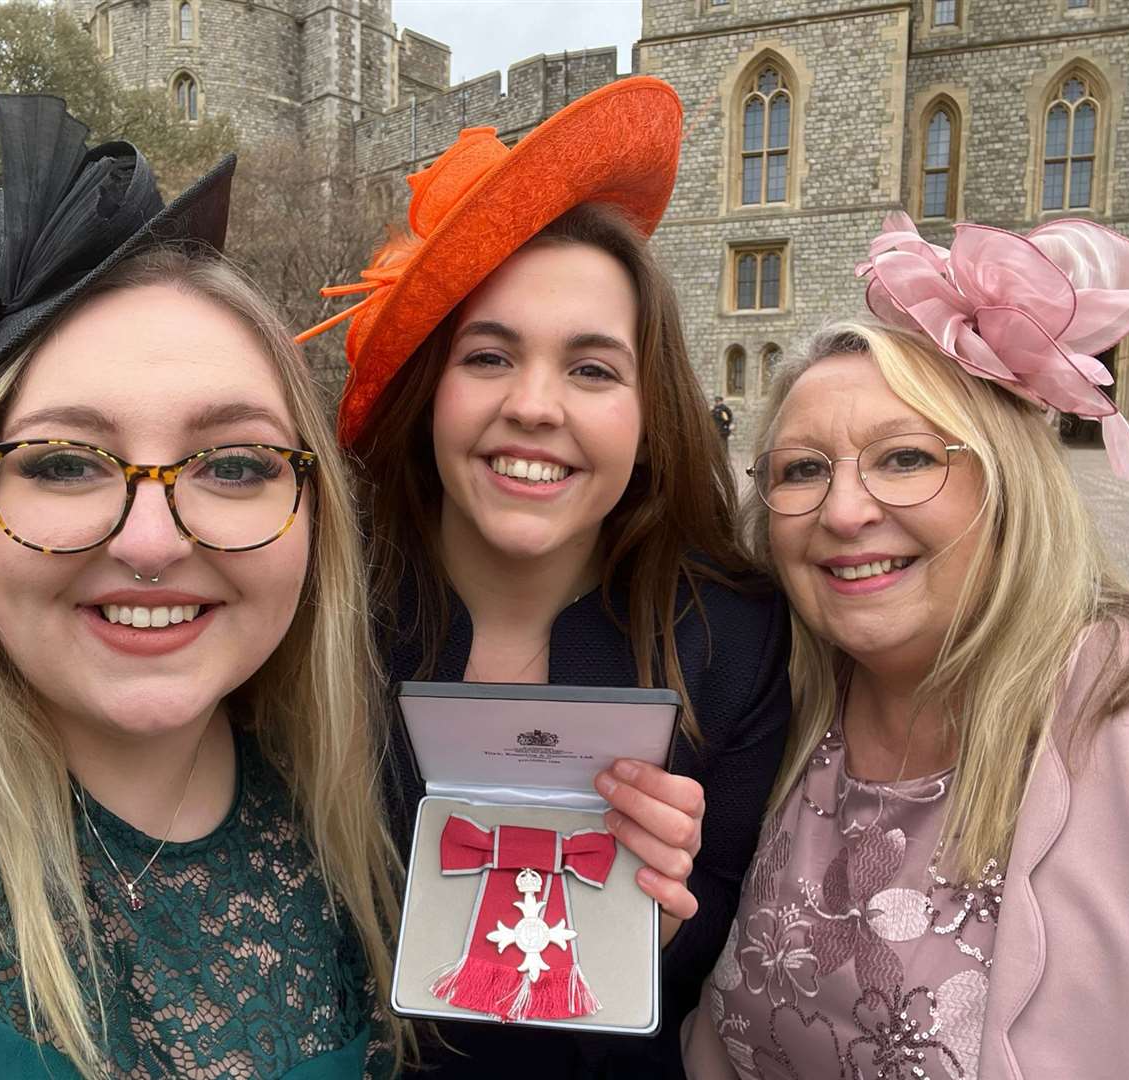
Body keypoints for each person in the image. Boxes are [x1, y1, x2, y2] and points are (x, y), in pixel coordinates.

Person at [0, 93, 403, 1078]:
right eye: (66, 462)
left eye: (234, 465)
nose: (151, 541)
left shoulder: (349, 853)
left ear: (315, 514)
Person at [299, 78, 791, 1077]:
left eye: (592, 370)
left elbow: (728, 931)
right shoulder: (310, 608)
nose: (534, 405)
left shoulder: (737, 637)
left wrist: (655, 927)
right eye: (489, 356)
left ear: (650, 413)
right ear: (432, 389)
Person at [683, 214, 1129, 1079]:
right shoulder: (775, 704)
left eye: (903, 459)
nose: (843, 511)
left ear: (1007, 482)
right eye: (801, 469)